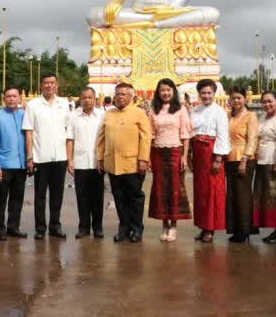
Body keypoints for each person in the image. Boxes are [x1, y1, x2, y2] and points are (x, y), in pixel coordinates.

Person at [95, 82, 151, 242]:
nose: (120, 97)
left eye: (123, 94)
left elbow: (146, 138)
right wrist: (100, 158)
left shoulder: (139, 113)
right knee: (119, 197)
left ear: (131, 96)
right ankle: (124, 228)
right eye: (117, 94)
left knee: (135, 197)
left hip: (132, 163)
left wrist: (143, 159)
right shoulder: (108, 114)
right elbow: (101, 138)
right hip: (113, 163)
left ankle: (137, 228)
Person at [23, 74, 70, 240]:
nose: (49, 86)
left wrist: (69, 158)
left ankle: (55, 226)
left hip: (59, 156)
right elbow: (29, 131)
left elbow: (68, 130)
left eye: (52, 83)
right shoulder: (33, 105)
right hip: (40, 156)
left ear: (56, 85)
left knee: (57, 194)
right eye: (46, 83)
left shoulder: (64, 104)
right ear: (41, 85)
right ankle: (40, 227)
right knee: (40, 194)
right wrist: (30, 157)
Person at [146, 78, 192, 242]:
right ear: (158, 93)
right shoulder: (153, 110)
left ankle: (173, 225)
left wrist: (184, 156)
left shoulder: (180, 109)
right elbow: (150, 135)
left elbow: (185, 135)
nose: (165, 93)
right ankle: (164, 224)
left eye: (168, 90)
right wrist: (148, 157)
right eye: (162, 90)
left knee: (174, 189)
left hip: (174, 151)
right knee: (160, 189)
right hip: (157, 152)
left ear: (173, 91)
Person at [190, 79, 229, 243]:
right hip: (198, 152)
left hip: (212, 152)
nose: (206, 96)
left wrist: (218, 158)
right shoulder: (194, 111)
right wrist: (189, 155)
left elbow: (222, 135)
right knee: (201, 192)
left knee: (213, 191)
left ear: (214, 94)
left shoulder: (219, 112)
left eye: (209, 93)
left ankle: (211, 228)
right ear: (199, 94)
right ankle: (203, 225)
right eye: (203, 93)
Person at [67, 87, 106, 239]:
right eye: (84, 98)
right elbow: (70, 139)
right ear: (80, 99)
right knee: (82, 196)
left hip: (98, 162)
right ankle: (83, 227)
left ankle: (97, 227)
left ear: (95, 99)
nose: (87, 100)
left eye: (90, 97)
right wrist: (70, 160)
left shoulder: (102, 116)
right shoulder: (73, 117)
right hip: (80, 162)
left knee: (97, 197)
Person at [252, 90, 276, 244]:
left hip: (275, 162)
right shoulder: (262, 118)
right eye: (264, 102)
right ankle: (273, 229)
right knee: (264, 197)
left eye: (270, 101)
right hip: (262, 161)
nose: (267, 104)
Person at [0, 86, 28, 241]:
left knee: (17, 199)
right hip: (4, 165)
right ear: (4, 98)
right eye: (8, 96)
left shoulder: (24, 115)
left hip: (21, 164)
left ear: (20, 98)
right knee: (0, 199)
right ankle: (0, 229)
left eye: (14, 96)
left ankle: (13, 227)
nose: (12, 99)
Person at [224, 88, 258, 243]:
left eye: (239, 98)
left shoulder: (250, 116)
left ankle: (245, 229)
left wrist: (245, 159)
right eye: (233, 98)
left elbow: (252, 139)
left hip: (244, 158)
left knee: (243, 195)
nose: (236, 101)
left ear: (245, 99)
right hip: (230, 158)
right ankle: (236, 228)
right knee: (232, 195)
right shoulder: (229, 116)